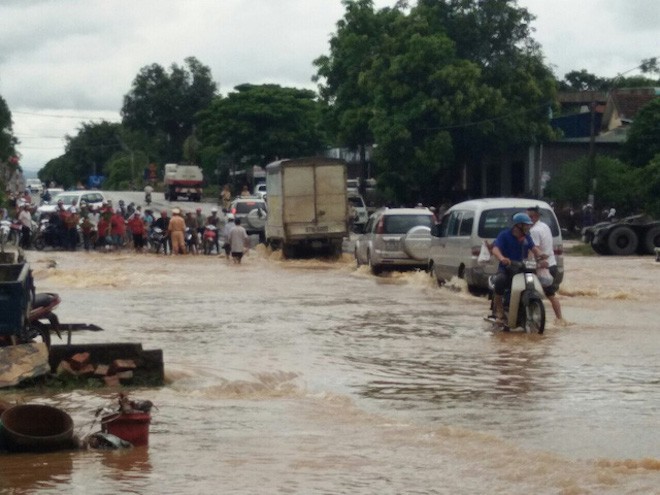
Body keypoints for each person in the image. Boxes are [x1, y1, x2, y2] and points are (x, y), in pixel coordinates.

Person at [490, 212, 546, 325]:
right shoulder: (504, 235)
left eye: (528, 225)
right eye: (526, 225)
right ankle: (500, 311)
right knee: (500, 280)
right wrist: (502, 258)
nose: (528, 227)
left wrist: (541, 256)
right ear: (518, 226)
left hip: (522, 268)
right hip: (507, 268)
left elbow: (534, 248)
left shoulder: (526, 237)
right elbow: (495, 249)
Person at [527, 206, 566, 326]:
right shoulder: (544, 226)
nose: (528, 220)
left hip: (542, 267)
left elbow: (535, 250)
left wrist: (531, 263)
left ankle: (534, 319)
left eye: (530, 217)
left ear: (536, 217)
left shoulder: (534, 231)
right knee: (551, 294)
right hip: (552, 265)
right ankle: (559, 318)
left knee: (532, 292)